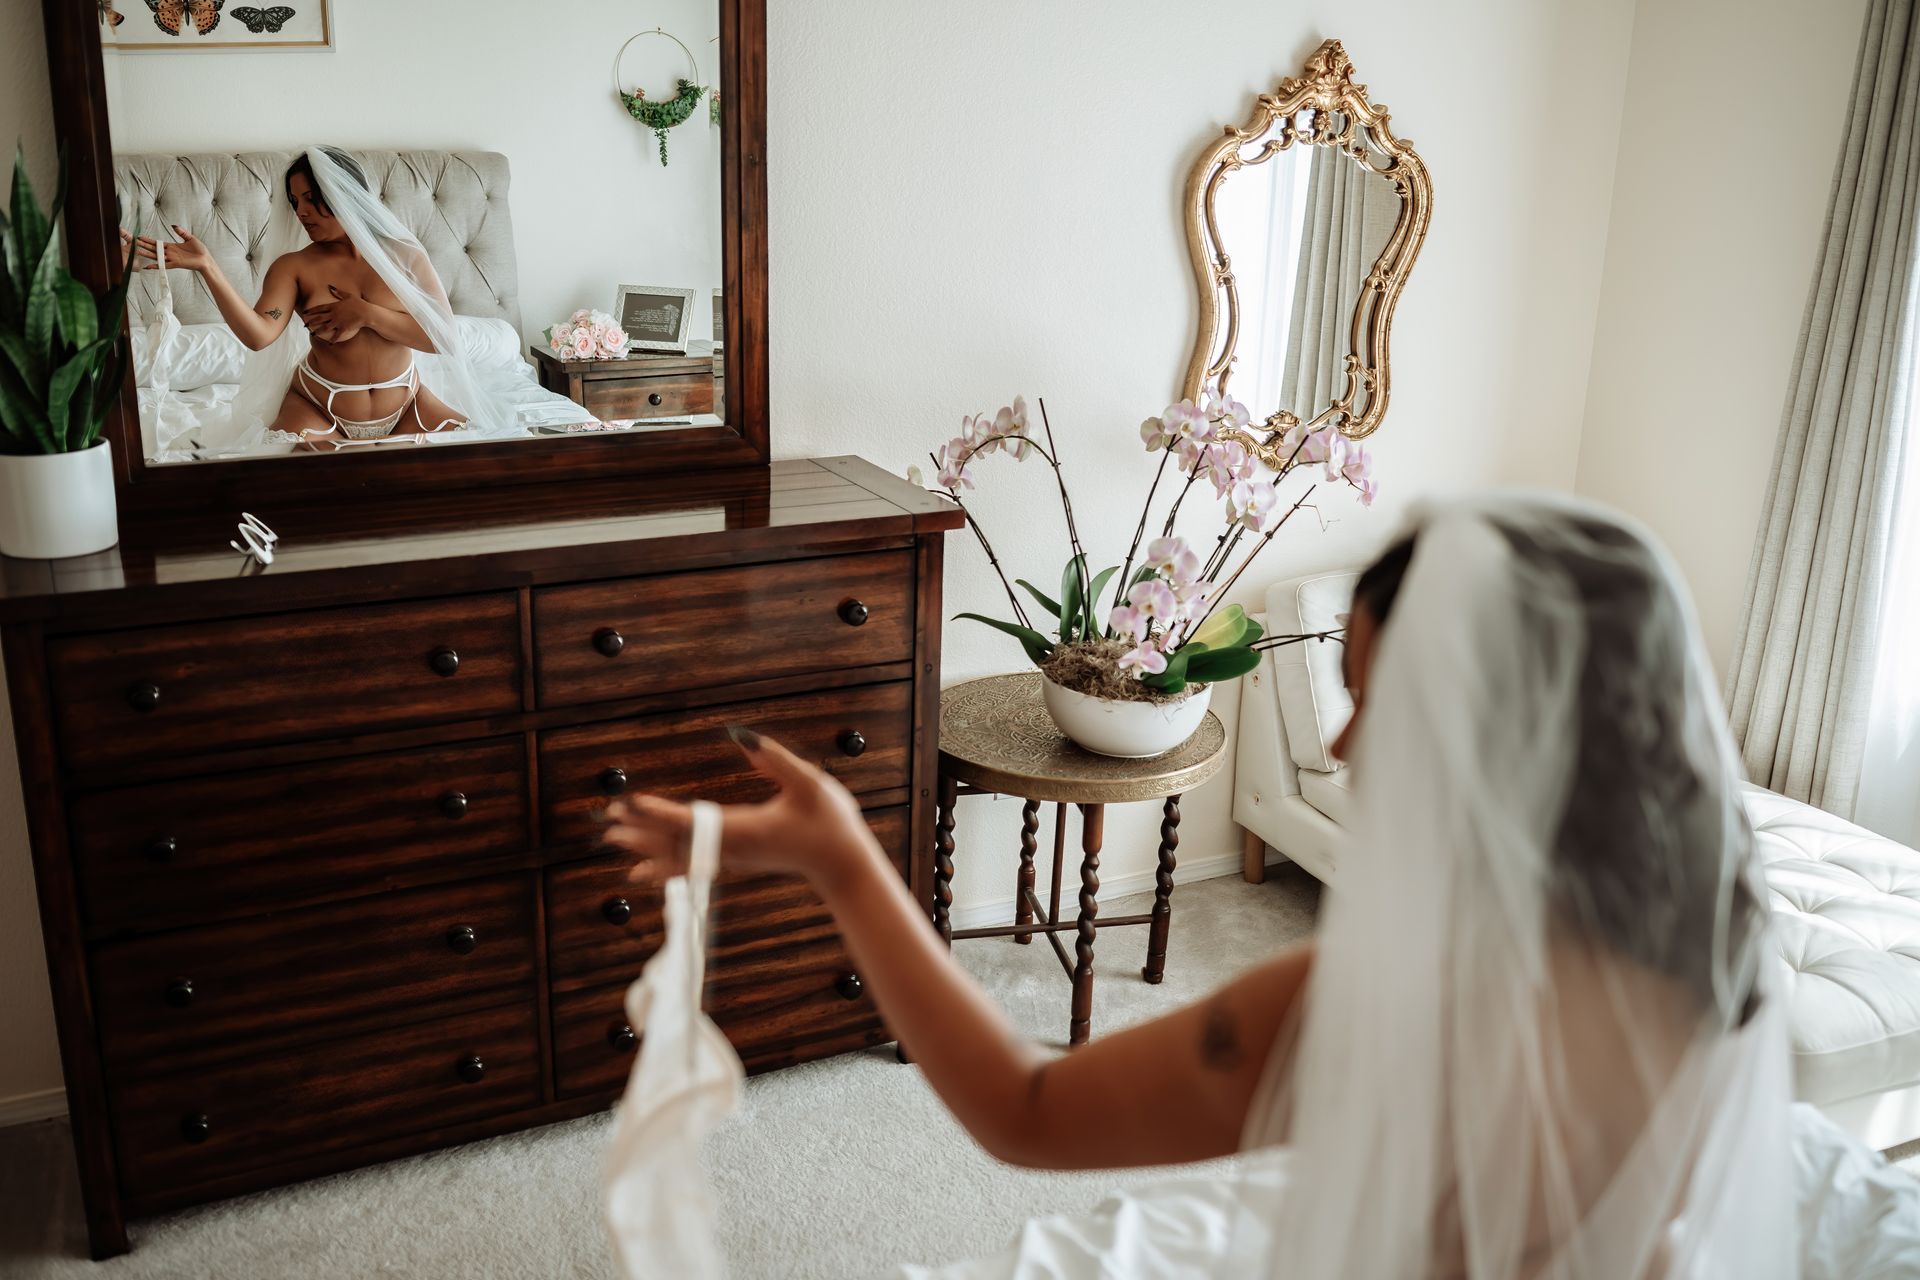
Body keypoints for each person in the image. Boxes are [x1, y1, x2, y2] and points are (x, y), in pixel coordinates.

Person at [601, 494, 1844, 1277]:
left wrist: (841, 855)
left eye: (1378, 704)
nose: (1345, 750)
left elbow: (1026, 1108)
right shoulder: (1711, 989)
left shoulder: (1385, 1009)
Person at [132, 146, 480, 450]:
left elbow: (445, 338)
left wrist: (365, 313)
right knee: (301, 491)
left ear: (346, 193)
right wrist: (207, 267)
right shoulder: (295, 267)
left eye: (312, 199)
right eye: (295, 202)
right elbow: (258, 336)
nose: (302, 212)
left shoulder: (405, 256)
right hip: (319, 406)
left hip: (408, 404)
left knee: (479, 461)